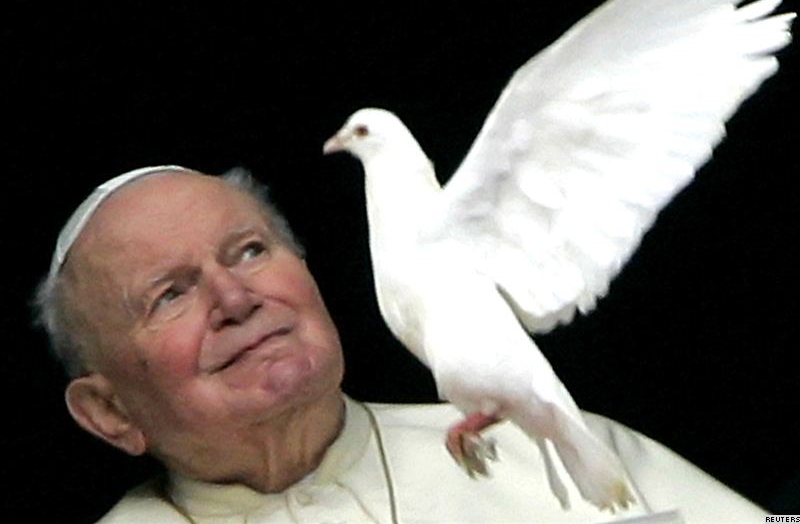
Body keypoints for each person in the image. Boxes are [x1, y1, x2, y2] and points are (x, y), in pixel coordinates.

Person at [34, 165, 767, 523]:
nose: (235, 299)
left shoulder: (547, 445)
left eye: (251, 251)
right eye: (170, 293)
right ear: (109, 412)